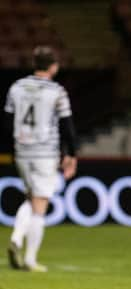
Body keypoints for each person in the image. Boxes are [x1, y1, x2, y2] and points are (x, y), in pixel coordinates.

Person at [4, 46, 77, 272]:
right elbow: (67, 127)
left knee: (31, 198)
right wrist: (71, 155)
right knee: (40, 204)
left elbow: (7, 121)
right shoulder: (57, 91)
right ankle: (29, 258)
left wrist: (16, 145)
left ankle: (17, 239)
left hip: (22, 150)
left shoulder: (17, 87)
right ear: (53, 66)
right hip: (45, 152)